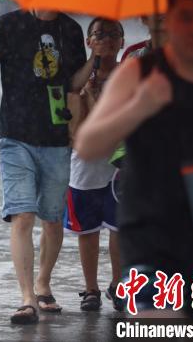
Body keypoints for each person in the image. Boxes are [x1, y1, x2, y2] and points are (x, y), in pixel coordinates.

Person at [75, 0, 193, 319]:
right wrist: (141, 105)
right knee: (154, 325)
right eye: (186, 17)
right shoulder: (139, 71)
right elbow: (89, 143)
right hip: (151, 226)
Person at [0, 8, 95, 325]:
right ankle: (26, 298)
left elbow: (75, 83)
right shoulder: (9, 24)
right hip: (15, 135)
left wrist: (96, 61)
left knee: (51, 217)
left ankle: (43, 283)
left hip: (57, 138)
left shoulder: (71, 30)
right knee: (22, 214)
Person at [63, 18, 125, 312]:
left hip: (120, 164)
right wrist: (88, 88)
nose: (107, 39)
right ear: (89, 41)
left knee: (119, 227)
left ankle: (118, 285)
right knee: (87, 230)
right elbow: (75, 125)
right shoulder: (80, 78)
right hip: (85, 165)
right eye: (99, 34)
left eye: (114, 34)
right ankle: (91, 289)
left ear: (123, 43)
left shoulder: (129, 75)